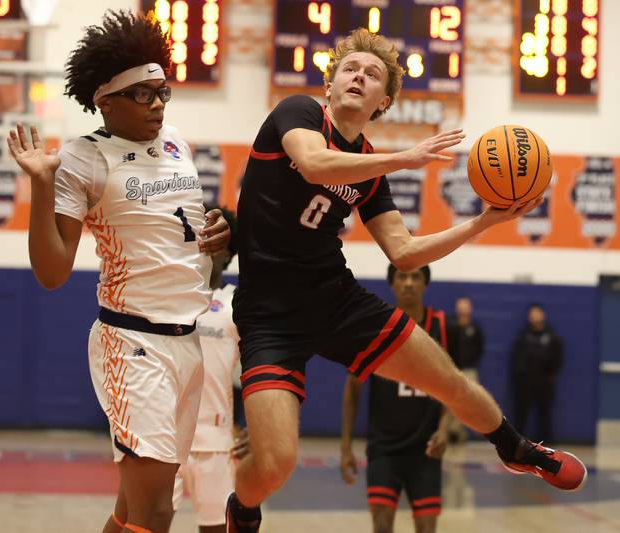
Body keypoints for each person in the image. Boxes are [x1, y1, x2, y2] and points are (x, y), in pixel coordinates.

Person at [226, 28, 586, 532]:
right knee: (275, 464)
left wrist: (484, 222)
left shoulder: (370, 169)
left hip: (334, 300)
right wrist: (404, 157)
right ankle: (242, 510)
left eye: (372, 74)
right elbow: (313, 164)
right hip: (268, 316)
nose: (359, 76)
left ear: (384, 102)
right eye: (350, 69)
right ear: (330, 84)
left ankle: (516, 448)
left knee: (449, 381)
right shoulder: (300, 113)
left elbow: (405, 252)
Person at [6, 11, 230, 533]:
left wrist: (216, 232)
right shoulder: (83, 159)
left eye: (162, 92)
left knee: (132, 512)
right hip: (133, 344)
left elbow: (181, 231)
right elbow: (52, 272)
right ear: (105, 101)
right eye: (141, 95)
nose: (157, 104)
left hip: (188, 340)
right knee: (157, 512)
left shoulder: (176, 142)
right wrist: (41, 184)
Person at [340, 264, 453, 533]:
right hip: (384, 448)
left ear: (425, 283)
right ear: (392, 284)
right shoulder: (376, 327)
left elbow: (455, 387)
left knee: (427, 528)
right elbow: (352, 390)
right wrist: (345, 447)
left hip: (426, 449)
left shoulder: (441, 326)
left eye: (416, 276)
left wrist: (444, 428)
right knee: (381, 526)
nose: (409, 283)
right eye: (403, 276)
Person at [171, 206, 245, 533]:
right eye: (203, 234)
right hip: (166, 439)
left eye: (216, 237)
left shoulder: (236, 304)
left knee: (216, 528)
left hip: (216, 441)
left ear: (228, 252)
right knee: (146, 522)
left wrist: (255, 429)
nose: (206, 243)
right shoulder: (171, 298)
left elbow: (256, 374)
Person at [510, 303, 563, 443]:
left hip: (544, 381)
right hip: (525, 381)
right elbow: (516, 358)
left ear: (543, 315)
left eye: (537, 313)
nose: (535, 316)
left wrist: (551, 374)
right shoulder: (523, 336)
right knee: (521, 412)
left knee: (544, 413)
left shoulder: (551, 336)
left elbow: (558, 357)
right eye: (532, 314)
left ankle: (546, 443)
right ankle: (516, 442)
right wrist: (520, 376)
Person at [448, 296, 485, 442]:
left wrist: (472, 361)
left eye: (466, 306)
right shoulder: (451, 325)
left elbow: (479, 348)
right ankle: (451, 432)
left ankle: (458, 431)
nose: (463, 309)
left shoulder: (475, 328)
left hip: (469, 370)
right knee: (450, 400)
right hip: (452, 369)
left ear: (470, 308)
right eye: (461, 306)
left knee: (468, 401)